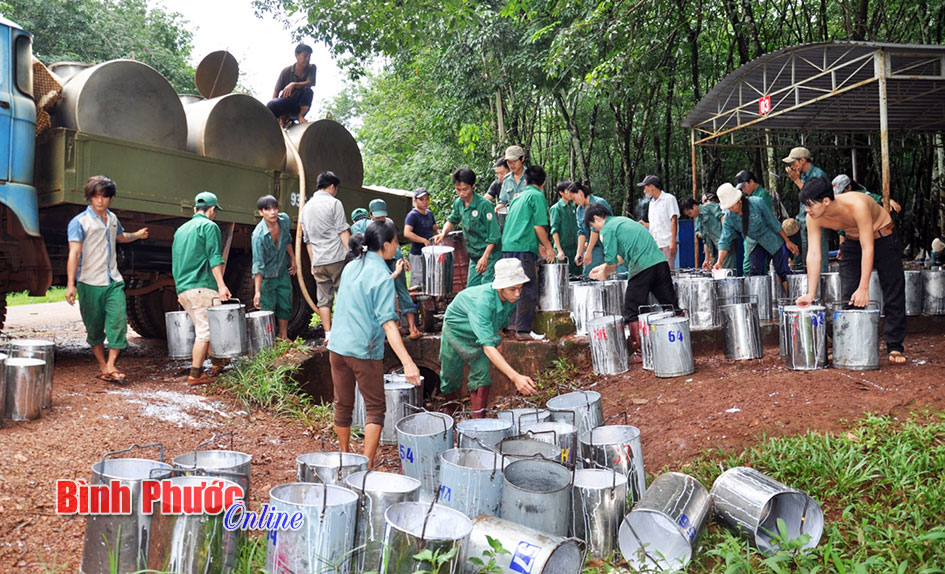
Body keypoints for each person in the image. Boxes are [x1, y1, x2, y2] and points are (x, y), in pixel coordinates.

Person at [327, 219, 421, 466]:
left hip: (337, 348)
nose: (397, 247)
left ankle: (346, 457)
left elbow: (368, 287)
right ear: (388, 245)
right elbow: (389, 325)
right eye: (396, 242)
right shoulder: (380, 275)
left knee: (343, 403)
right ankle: (365, 465)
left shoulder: (352, 266)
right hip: (363, 351)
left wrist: (394, 275)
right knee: (375, 409)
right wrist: (408, 363)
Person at [795, 177, 907, 364]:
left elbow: (868, 247)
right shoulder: (812, 216)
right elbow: (814, 253)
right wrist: (810, 293)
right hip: (852, 243)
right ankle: (851, 344)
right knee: (849, 293)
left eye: (810, 205)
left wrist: (864, 287)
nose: (807, 210)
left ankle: (894, 346)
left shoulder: (857, 204)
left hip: (883, 237)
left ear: (826, 201)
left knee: (892, 290)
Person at [64, 176, 148, 383]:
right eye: (96, 196)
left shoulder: (112, 219)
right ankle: (103, 366)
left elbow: (120, 237)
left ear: (111, 198)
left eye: (104, 196)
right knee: (94, 327)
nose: (100, 201)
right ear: (90, 197)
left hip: (113, 281)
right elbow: (74, 254)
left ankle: (111, 364)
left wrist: (137, 235)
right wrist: (70, 285)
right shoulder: (79, 222)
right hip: (89, 282)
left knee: (118, 322)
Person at [439, 259, 539, 417]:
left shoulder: (510, 297)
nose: (518, 294)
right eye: (513, 289)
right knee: (451, 373)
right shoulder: (482, 303)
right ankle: (450, 408)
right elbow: (488, 347)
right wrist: (515, 377)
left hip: (483, 330)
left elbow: (497, 320)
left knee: (482, 373)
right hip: (457, 330)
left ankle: (479, 420)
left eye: (520, 288)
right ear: (500, 287)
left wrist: (496, 337)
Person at [585, 203, 676, 351]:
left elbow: (612, 262)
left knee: (631, 309)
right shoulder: (623, 221)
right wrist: (602, 268)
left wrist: (604, 273)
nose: (595, 229)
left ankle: (638, 350)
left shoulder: (607, 229)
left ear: (597, 218)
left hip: (642, 267)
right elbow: (622, 256)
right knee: (670, 304)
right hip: (660, 263)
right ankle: (680, 342)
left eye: (593, 226)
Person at [171, 191, 232, 385]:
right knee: (205, 331)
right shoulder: (209, 226)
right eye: (215, 211)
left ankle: (216, 364)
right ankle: (195, 375)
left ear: (195, 208)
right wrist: (221, 285)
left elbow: (176, 262)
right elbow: (215, 258)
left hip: (185, 288)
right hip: (202, 286)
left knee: (205, 327)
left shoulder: (180, 230)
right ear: (212, 209)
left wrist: (179, 290)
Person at [501, 165, 556, 338]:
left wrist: (537, 246)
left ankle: (510, 324)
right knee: (528, 288)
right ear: (543, 183)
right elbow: (538, 227)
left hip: (508, 245)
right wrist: (549, 248)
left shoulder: (518, 197)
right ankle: (523, 329)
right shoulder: (537, 196)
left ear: (525, 181)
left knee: (511, 286)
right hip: (521, 248)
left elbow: (521, 224)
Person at [355, 199, 422, 339]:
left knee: (396, 290)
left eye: (382, 216)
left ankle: (408, 328)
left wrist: (402, 259)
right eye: (378, 216)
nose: (380, 219)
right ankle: (403, 328)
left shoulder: (375, 225)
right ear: (370, 214)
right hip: (387, 259)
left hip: (390, 258)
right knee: (393, 290)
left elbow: (394, 243)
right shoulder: (378, 225)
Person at [714, 183, 799, 288]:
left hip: (772, 239)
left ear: (739, 199)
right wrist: (719, 261)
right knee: (754, 272)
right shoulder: (729, 218)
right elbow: (725, 240)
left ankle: (790, 300)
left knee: (782, 271)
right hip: (753, 242)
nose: (730, 208)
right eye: (728, 206)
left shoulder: (757, 203)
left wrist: (787, 241)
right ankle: (758, 300)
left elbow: (773, 222)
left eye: (732, 205)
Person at [300, 171, 350, 343]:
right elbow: (342, 231)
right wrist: (353, 252)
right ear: (331, 186)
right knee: (344, 294)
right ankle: (347, 330)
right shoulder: (334, 203)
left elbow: (307, 241)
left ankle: (328, 334)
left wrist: (313, 262)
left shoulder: (306, 208)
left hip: (319, 260)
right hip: (336, 258)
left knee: (323, 299)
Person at [433, 168, 501, 287]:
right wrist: (443, 233)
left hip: (489, 255)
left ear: (473, 186)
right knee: (471, 290)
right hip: (474, 256)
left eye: (465, 189)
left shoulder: (484, 205)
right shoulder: (459, 203)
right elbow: (452, 220)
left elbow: (494, 235)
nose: (461, 193)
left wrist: (485, 257)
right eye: (458, 190)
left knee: (487, 289)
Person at [251, 195, 297, 340]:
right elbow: (258, 264)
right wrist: (257, 291)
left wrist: (293, 259)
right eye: (268, 209)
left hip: (282, 271)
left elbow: (287, 240)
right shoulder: (258, 236)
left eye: (275, 208)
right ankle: (268, 341)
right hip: (267, 276)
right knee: (267, 308)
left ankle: (283, 336)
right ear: (261, 212)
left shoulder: (284, 221)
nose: (273, 212)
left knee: (285, 302)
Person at [572, 182, 627, 277]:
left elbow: (595, 229)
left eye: (574, 198)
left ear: (580, 193)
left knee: (616, 272)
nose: (574, 202)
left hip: (609, 242)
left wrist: (588, 251)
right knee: (589, 274)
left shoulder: (599, 202)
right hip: (595, 246)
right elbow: (581, 231)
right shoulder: (579, 210)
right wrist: (579, 252)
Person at [680, 196, 736, 272]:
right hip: (715, 249)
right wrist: (706, 259)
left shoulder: (709, 206)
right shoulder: (699, 219)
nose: (691, 216)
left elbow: (723, 218)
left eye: (690, 213)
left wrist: (725, 237)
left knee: (726, 272)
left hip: (726, 245)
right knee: (716, 273)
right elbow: (706, 240)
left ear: (694, 206)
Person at [266, 43, 316, 126]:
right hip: (288, 104)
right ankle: (281, 118)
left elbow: (311, 82)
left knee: (308, 90)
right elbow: (276, 92)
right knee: (271, 104)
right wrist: (276, 113)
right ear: (296, 55)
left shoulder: (312, 68)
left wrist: (293, 84)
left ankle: (301, 116)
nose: (307, 59)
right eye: (305, 56)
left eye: (309, 57)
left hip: (300, 106)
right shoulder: (286, 71)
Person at [734, 170, 773, 276]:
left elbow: (764, 220)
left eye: (744, 186)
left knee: (755, 268)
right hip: (750, 239)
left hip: (758, 239)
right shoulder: (750, 197)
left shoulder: (762, 195)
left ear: (751, 182)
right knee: (749, 268)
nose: (743, 189)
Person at [638, 175, 679, 269]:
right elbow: (657, 223)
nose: (644, 191)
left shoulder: (669, 199)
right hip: (655, 244)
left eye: (645, 188)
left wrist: (673, 241)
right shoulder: (652, 203)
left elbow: (673, 220)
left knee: (667, 271)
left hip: (666, 243)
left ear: (652, 186)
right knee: (656, 273)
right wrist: (645, 225)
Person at [403, 188, 439, 291]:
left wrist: (440, 236)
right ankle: (414, 303)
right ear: (415, 201)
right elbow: (407, 233)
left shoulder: (429, 213)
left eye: (427, 199)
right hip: (417, 253)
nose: (425, 202)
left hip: (430, 252)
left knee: (431, 277)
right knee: (417, 279)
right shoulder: (412, 215)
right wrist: (423, 240)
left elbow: (435, 229)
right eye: (421, 199)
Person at [549, 180, 581, 277]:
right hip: (563, 249)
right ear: (561, 192)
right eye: (568, 190)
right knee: (562, 278)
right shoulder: (556, 208)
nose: (571, 193)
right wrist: (559, 250)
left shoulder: (573, 206)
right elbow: (554, 231)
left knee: (577, 276)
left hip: (575, 248)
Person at [832, 174, 902, 212]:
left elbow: (874, 197)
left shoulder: (860, 195)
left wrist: (888, 201)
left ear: (849, 188)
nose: (839, 196)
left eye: (841, 192)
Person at [496, 145, 528, 211]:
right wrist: (498, 208)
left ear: (522, 159)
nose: (512, 165)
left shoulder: (532, 177)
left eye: (514, 161)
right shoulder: (507, 179)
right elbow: (503, 201)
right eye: (509, 162)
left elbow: (538, 201)